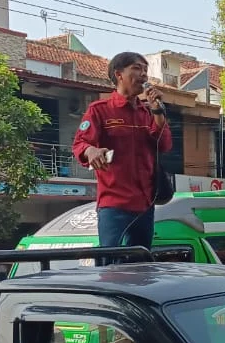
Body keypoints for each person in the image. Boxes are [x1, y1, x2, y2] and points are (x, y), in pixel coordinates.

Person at [72, 52, 173, 251]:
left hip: (144, 204)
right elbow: (80, 144)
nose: (143, 75)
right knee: (110, 263)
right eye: (136, 68)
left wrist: (158, 112)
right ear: (119, 74)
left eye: (145, 70)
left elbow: (164, 145)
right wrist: (91, 150)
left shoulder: (148, 113)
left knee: (141, 266)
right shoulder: (99, 110)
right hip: (114, 204)